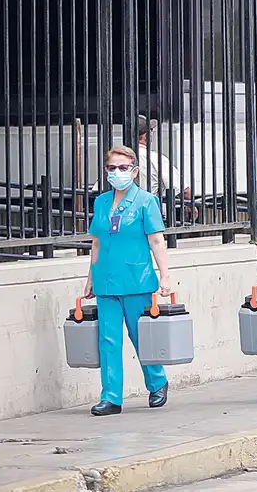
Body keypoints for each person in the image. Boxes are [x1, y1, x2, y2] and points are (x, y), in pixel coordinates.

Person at [83, 145, 171, 416]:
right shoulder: (100, 203)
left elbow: (156, 239)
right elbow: (96, 243)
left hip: (136, 279)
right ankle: (111, 397)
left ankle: (157, 382)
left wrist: (165, 275)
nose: (117, 172)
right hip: (106, 280)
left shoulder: (146, 201)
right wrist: (89, 279)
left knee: (139, 335)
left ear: (134, 171)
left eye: (123, 168)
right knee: (108, 339)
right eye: (112, 168)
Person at [135, 115, 196, 221]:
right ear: (146, 136)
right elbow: (183, 190)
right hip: (152, 216)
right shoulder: (155, 158)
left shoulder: (118, 158)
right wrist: (191, 206)